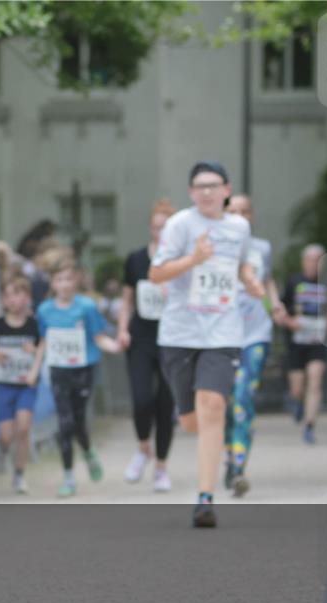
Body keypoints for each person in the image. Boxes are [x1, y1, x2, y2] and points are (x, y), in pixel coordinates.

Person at [149, 161, 264, 528]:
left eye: (213, 185)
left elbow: (242, 265)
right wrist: (193, 259)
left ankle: (205, 499)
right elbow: (156, 273)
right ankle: (199, 436)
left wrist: (251, 282)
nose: (207, 192)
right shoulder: (180, 224)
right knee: (191, 421)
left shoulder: (239, 227)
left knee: (213, 405)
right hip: (180, 333)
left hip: (223, 331)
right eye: (199, 186)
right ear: (190, 192)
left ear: (227, 189)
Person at [37, 259, 122, 498]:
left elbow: (98, 336)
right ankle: (69, 476)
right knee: (64, 423)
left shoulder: (87, 307)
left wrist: (115, 347)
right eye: (59, 280)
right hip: (58, 370)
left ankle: (87, 450)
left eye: (68, 279)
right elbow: (44, 341)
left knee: (77, 420)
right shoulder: (44, 310)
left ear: (76, 281)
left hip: (83, 369)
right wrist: (34, 367)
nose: (64, 285)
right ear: (53, 283)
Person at [221, 194, 285, 496]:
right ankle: (228, 452)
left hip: (256, 334)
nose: (240, 216)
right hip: (221, 337)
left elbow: (268, 280)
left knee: (244, 398)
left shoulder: (262, 248)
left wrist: (275, 305)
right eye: (233, 211)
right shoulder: (213, 248)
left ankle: (238, 466)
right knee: (224, 404)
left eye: (245, 211)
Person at [118, 198, 176, 492]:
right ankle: (143, 448)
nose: (160, 233)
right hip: (140, 337)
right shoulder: (136, 259)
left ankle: (162, 467)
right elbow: (127, 299)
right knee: (141, 399)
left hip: (171, 339)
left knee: (165, 404)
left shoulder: (181, 261)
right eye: (155, 228)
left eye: (165, 229)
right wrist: (122, 328)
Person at [0, 277, 44, 493]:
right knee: (6, 434)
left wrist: (34, 352)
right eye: (8, 295)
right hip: (3, 384)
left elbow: (43, 350)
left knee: (24, 428)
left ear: (27, 298)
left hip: (27, 384)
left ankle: (19, 475)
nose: (13, 300)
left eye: (18, 294)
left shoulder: (35, 326)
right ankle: (3, 450)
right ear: (3, 301)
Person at [280, 243, 327, 445]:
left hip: (319, 341)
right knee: (297, 388)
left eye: (319, 260)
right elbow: (280, 307)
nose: (314, 264)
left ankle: (309, 426)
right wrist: (290, 322)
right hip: (297, 342)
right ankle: (297, 402)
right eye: (311, 260)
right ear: (304, 262)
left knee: (315, 380)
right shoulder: (294, 282)